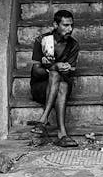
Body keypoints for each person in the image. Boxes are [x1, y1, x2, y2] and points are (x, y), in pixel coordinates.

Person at [30, 9, 79, 147]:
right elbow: (36, 72)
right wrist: (53, 67)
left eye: (71, 25)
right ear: (55, 25)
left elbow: (70, 72)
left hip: (62, 87)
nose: (70, 29)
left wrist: (65, 68)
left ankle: (43, 120)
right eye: (65, 25)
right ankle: (62, 133)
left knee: (62, 84)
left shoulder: (73, 45)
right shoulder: (42, 41)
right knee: (55, 73)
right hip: (40, 88)